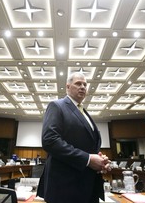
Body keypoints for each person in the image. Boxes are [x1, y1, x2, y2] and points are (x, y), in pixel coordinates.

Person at [37, 72, 111, 203]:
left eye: (85, 84)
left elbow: (87, 146)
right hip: (65, 189)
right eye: (78, 83)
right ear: (67, 87)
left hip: (88, 187)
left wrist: (100, 160)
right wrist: (88, 159)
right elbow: (50, 140)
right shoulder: (57, 106)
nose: (82, 87)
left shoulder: (84, 113)